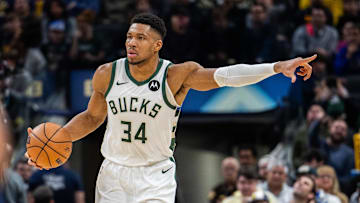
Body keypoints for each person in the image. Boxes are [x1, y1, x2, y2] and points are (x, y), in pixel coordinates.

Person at [26, 13, 316, 202]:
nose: (132, 42)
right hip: (114, 171)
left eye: (141, 38)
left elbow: (227, 76)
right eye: (129, 36)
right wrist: (56, 139)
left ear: (157, 45)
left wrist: (278, 66)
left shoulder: (177, 75)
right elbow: (91, 117)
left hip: (155, 174)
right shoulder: (107, 73)